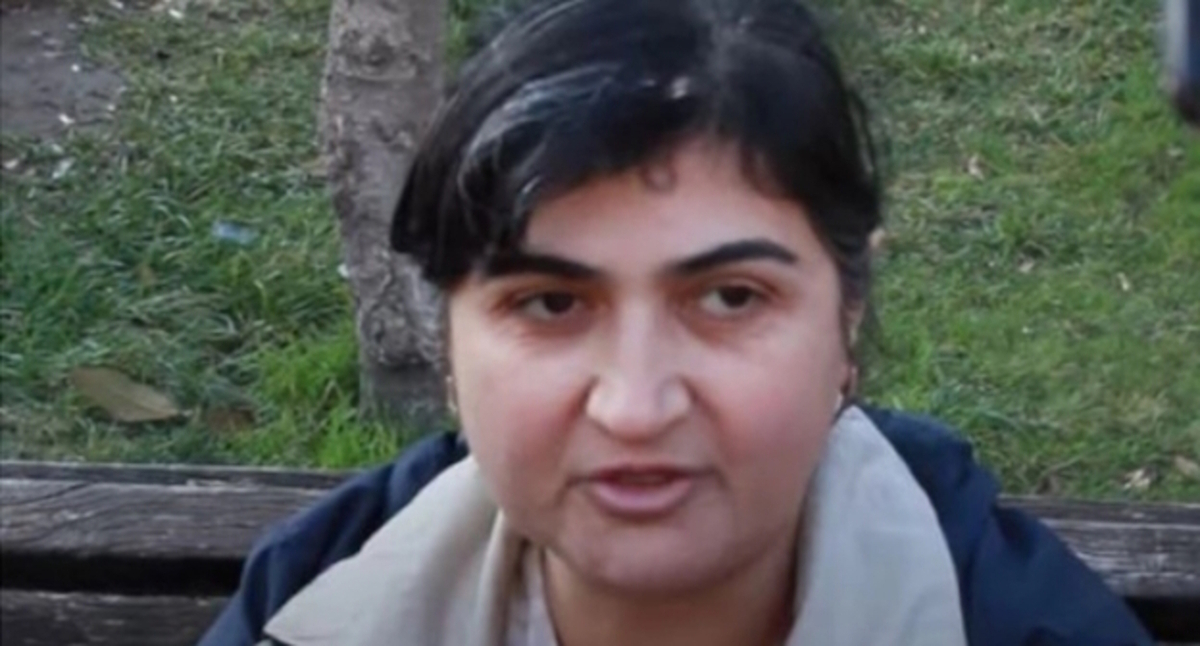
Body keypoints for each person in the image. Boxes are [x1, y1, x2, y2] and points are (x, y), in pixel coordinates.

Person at [200, 1, 1154, 644]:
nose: (635, 407)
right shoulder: (309, 604)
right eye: (551, 303)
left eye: (730, 298)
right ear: (449, 340)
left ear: (847, 322)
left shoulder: (1019, 623)